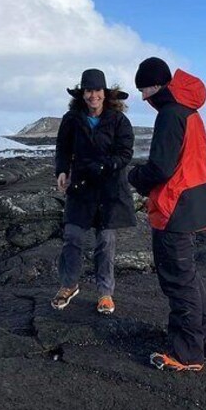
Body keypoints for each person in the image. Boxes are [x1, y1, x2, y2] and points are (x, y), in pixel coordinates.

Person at [128, 57, 206, 372]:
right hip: (192, 204)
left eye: (145, 90)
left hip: (175, 208)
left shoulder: (169, 114)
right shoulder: (191, 112)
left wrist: (135, 177)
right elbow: (202, 159)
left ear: (157, 85)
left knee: (178, 282)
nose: (144, 98)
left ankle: (188, 355)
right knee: (188, 276)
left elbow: (161, 168)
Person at [53, 68, 136, 315]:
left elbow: (125, 153)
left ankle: (105, 293)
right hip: (80, 187)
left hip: (110, 189)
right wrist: (62, 170)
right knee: (72, 235)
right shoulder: (72, 118)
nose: (93, 96)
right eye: (88, 90)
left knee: (106, 241)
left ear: (105, 93)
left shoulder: (119, 121)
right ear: (82, 93)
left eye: (97, 90)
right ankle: (68, 285)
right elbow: (63, 148)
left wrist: (104, 165)